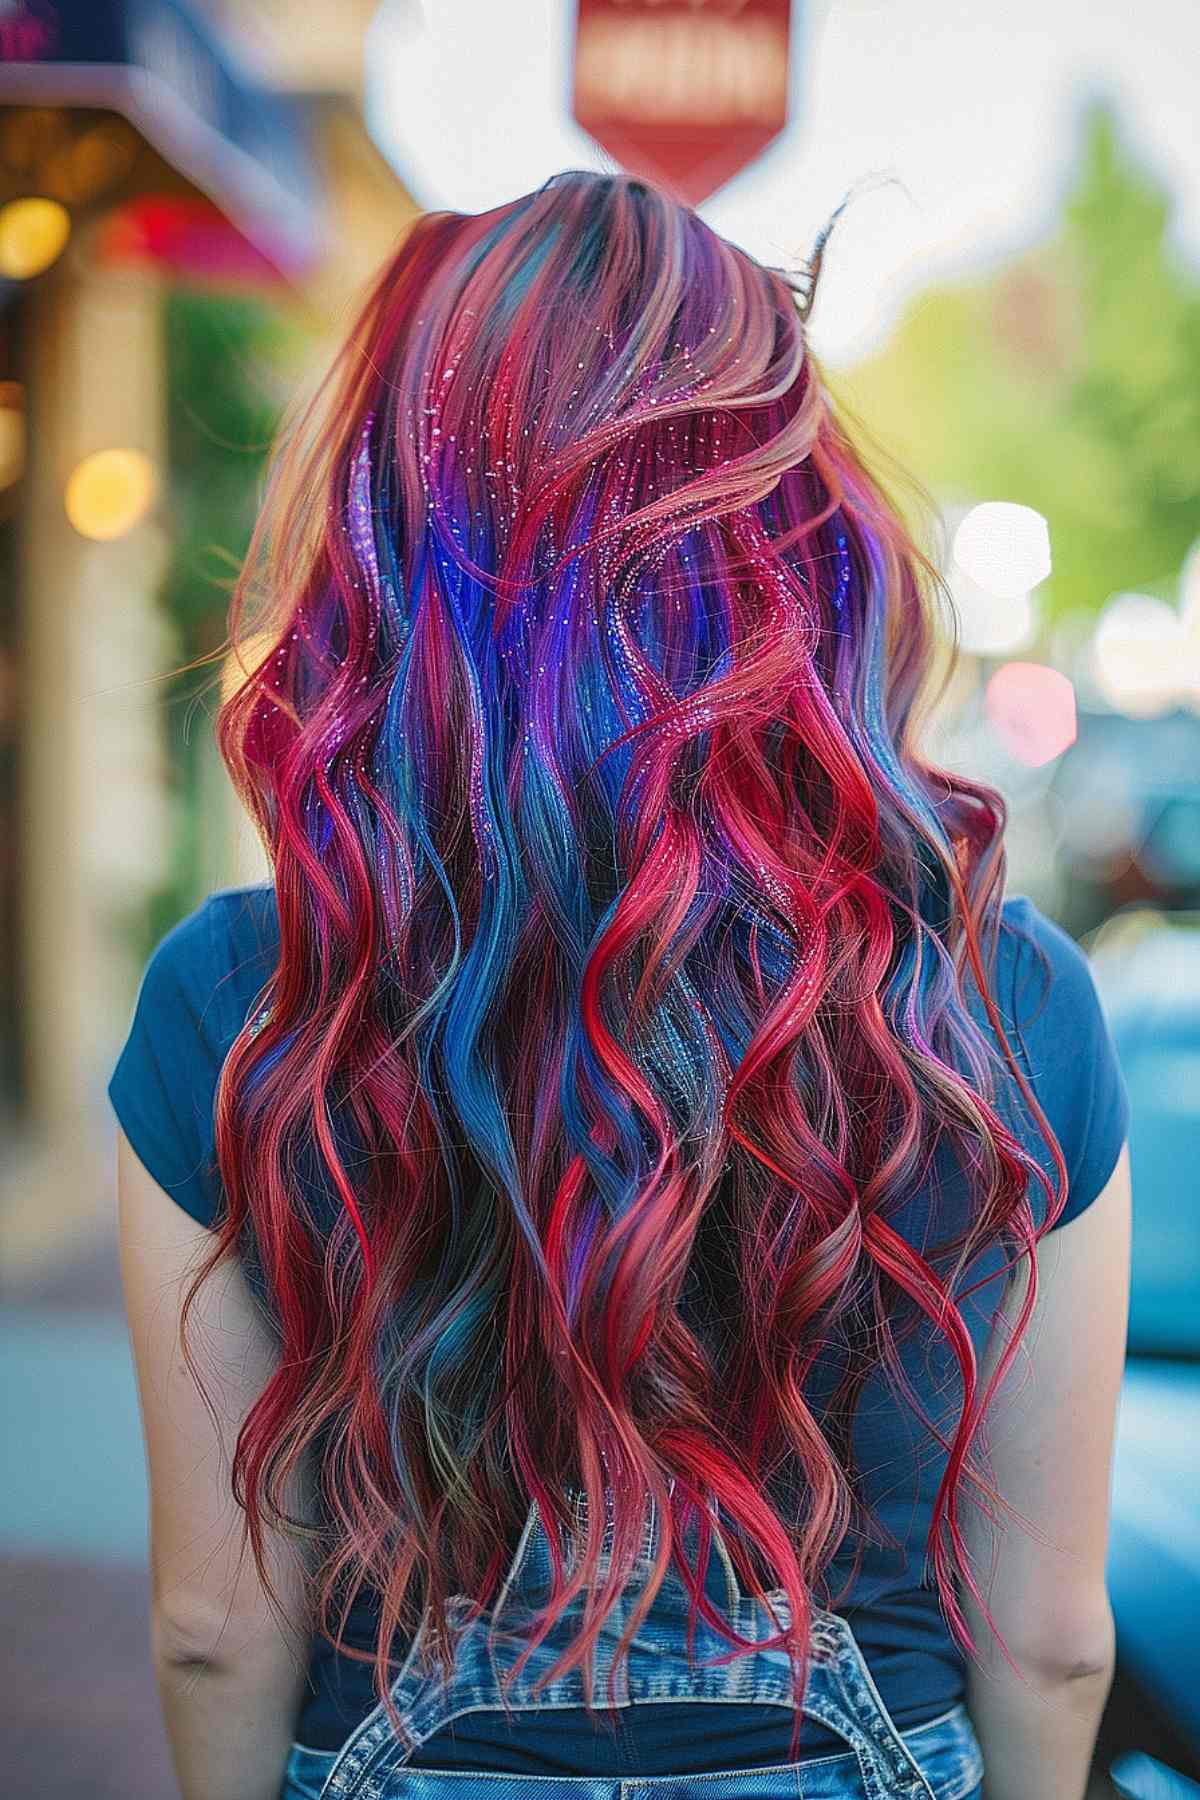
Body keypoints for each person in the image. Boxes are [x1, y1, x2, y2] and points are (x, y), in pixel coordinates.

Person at [108, 170, 1131, 1800]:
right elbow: (1054, 1640)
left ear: (401, 530)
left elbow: (216, 1627)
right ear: (795, 529)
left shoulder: (244, 995)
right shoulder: (1006, 1000)